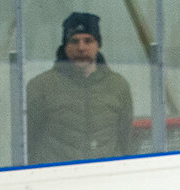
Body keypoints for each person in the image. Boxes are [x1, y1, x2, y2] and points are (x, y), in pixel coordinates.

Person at [25, 12, 135, 165]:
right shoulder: (41, 86)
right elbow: (28, 141)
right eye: (74, 41)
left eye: (88, 41)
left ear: (99, 44)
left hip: (106, 179)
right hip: (57, 181)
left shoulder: (118, 85)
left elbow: (126, 141)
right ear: (65, 46)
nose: (81, 48)